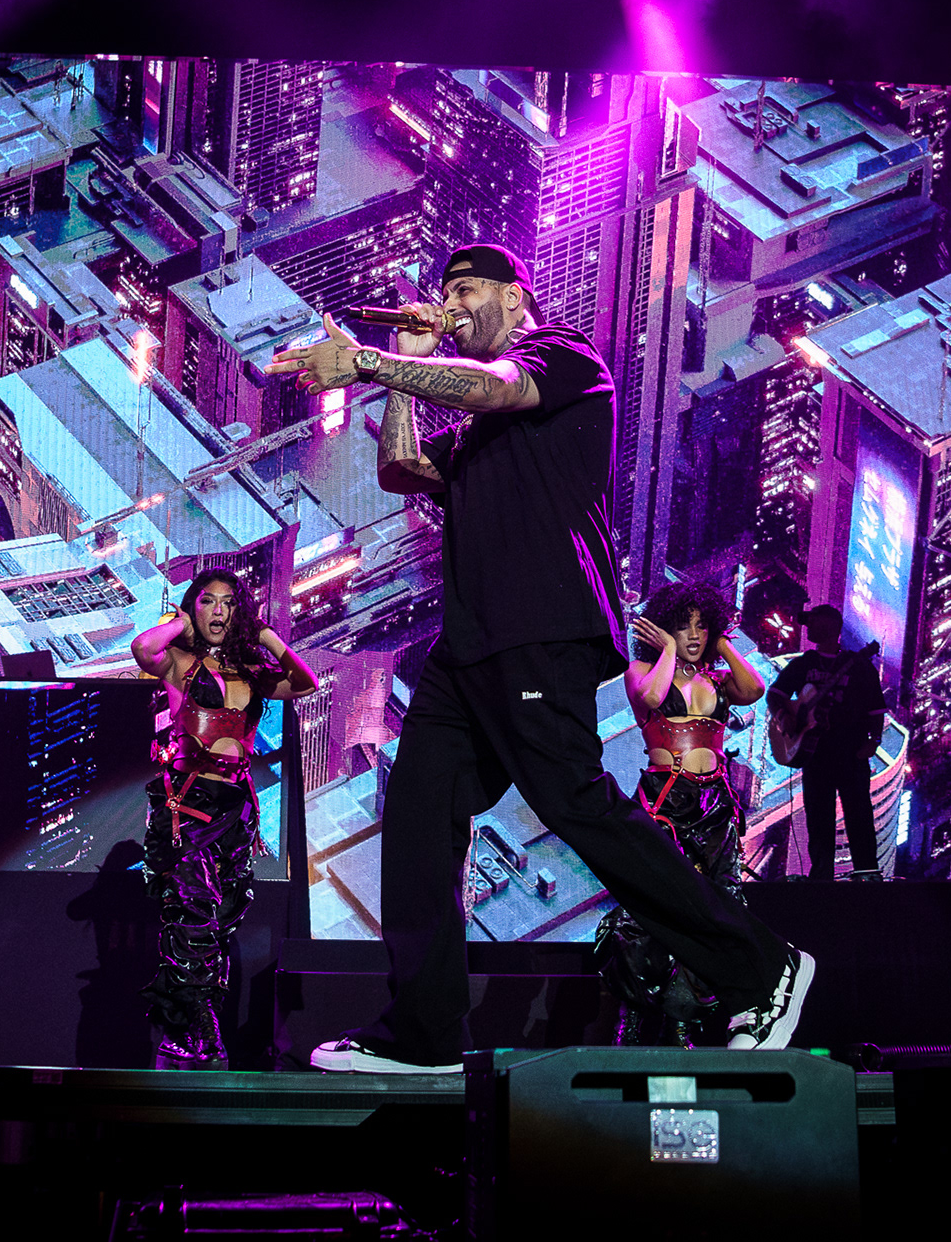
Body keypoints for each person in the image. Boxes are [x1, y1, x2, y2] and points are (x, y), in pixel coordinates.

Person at [266, 243, 812, 1073]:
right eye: (443, 291)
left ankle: (763, 970)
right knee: (418, 818)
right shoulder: (478, 431)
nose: (451, 303)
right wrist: (404, 369)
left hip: (538, 631)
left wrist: (370, 361)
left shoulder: (563, 358)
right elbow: (401, 470)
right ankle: (424, 1034)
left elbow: (495, 385)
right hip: (468, 649)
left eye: (467, 289)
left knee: (579, 806)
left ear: (516, 299)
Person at [131, 570, 318, 1069]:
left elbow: (305, 683)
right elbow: (143, 647)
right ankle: (194, 1031)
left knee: (220, 922)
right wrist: (179, 621)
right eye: (208, 601)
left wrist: (265, 634)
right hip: (189, 804)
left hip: (236, 809)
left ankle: (193, 1029)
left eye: (228, 602)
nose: (218, 610)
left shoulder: (250, 670)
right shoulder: (179, 662)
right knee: (193, 914)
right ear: (194, 607)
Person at [598, 580, 766, 1047]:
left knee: (717, 907)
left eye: (701, 625)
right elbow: (652, 699)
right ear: (662, 629)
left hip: (715, 805)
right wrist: (669, 651)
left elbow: (754, 689)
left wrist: (723, 643)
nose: (693, 634)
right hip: (664, 802)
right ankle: (633, 1016)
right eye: (682, 625)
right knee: (647, 908)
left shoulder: (718, 679)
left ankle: (683, 1017)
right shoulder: (641, 671)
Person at [767, 605, 886, 881]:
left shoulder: (859, 666)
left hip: (851, 752)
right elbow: (775, 694)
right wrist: (785, 716)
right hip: (816, 754)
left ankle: (867, 872)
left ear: (831, 627)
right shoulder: (804, 663)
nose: (808, 627)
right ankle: (821, 876)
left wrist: (875, 740)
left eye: (814, 622)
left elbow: (876, 709)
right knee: (818, 817)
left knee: (858, 812)